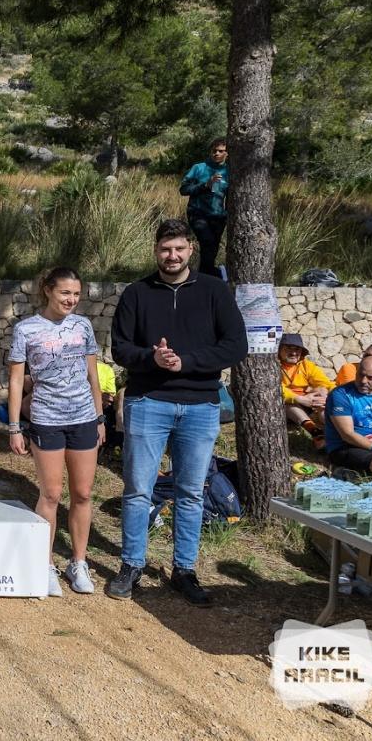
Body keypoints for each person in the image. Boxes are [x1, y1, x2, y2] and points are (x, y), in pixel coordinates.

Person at [109, 218, 247, 606]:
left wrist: (186, 362)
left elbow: (235, 346)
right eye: (165, 249)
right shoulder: (137, 293)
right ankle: (132, 565)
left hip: (201, 405)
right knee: (138, 489)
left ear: (191, 250)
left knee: (191, 492)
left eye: (179, 249)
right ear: (156, 251)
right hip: (147, 400)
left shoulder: (215, 292)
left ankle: (184, 569)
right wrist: (152, 358)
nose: (172, 256)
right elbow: (120, 349)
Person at [7, 267, 104, 596]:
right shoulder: (26, 330)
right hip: (46, 418)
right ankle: (45, 563)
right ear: (47, 290)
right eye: (65, 293)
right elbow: (17, 380)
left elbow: (94, 375)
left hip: (84, 419)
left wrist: (100, 418)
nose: (71, 300)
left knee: (83, 494)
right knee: (50, 495)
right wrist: (15, 426)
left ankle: (78, 562)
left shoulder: (83, 326)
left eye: (76, 294)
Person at [324, 355, 372, 479]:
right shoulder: (340, 395)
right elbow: (348, 435)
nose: (363, 381)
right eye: (360, 375)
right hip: (346, 447)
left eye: (370, 378)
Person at [180, 138, 228, 278]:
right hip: (197, 212)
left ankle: (205, 278)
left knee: (212, 249)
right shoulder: (199, 168)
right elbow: (183, 189)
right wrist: (205, 185)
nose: (216, 153)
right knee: (206, 241)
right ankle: (214, 276)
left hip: (218, 216)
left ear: (227, 154)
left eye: (221, 151)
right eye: (214, 151)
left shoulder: (230, 171)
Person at [278, 332, 333, 449]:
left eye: (297, 349)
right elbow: (275, 389)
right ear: (279, 349)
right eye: (288, 348)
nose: (293, 352)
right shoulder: (272, 365)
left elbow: (325, 383)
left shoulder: (306, 365)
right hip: (285, 406)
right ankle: (315, 432)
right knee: (289, 403)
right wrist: (299, 398)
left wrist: (325, 393)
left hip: (307, 402)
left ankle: (336, 433)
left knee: (321, 392)